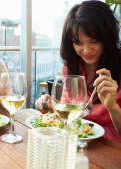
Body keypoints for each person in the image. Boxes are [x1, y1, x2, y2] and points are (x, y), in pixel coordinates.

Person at [35, 0, 121, 141]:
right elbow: (66, 115)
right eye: (78, 43)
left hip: (111, 151)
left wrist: (113, 107)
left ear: (107, 37)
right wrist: (49, 105)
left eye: (93, 41)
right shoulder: (71, 68)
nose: (86, 50)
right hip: (76, 144)